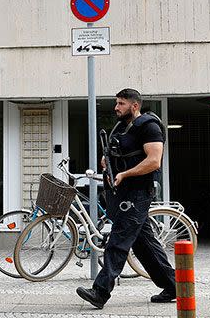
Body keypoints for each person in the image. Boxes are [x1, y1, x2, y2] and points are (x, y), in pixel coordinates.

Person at [77, 88, 176, 308]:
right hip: (122, 193)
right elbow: (119, 151)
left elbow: (154, 161)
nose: (116, 107)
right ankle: (174, 286)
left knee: (118, 241)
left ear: (135, 105)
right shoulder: (122, 127)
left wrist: (125, 174)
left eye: (121, 103)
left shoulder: (149, 127)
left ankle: (100, 292)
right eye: (116, 103)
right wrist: (107, 159)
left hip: (139, 193)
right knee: (145, 246)